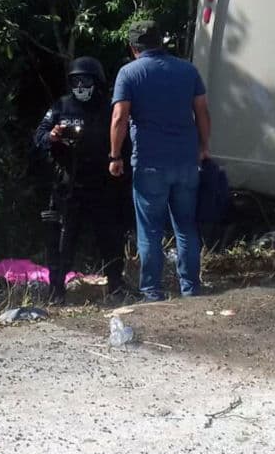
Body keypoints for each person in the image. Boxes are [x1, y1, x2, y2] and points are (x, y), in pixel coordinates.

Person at [109, 21, 211, 301]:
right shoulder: (187, 70)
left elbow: (119, 117)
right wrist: (204, 147)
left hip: (150, 162)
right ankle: (191, 288)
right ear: (161, 42)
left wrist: (115, 155)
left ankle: (152, 291)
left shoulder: (129, 73)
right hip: (186, 161)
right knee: (186, 226)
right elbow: (202, 111)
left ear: (133, 48)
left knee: (150, 229)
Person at [33, 56, 127, 304]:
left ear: (97, 81)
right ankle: (56, 291)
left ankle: (116, 285)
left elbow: (124, 141)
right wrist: (52, 137)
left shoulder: (108, 109)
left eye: (86, 80)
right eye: (75, 81)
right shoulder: (61, 106)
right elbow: (39, 136)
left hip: (102, 186)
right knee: (62, 242)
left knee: (110, 239)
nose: (81, 86)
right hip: (68, 187)